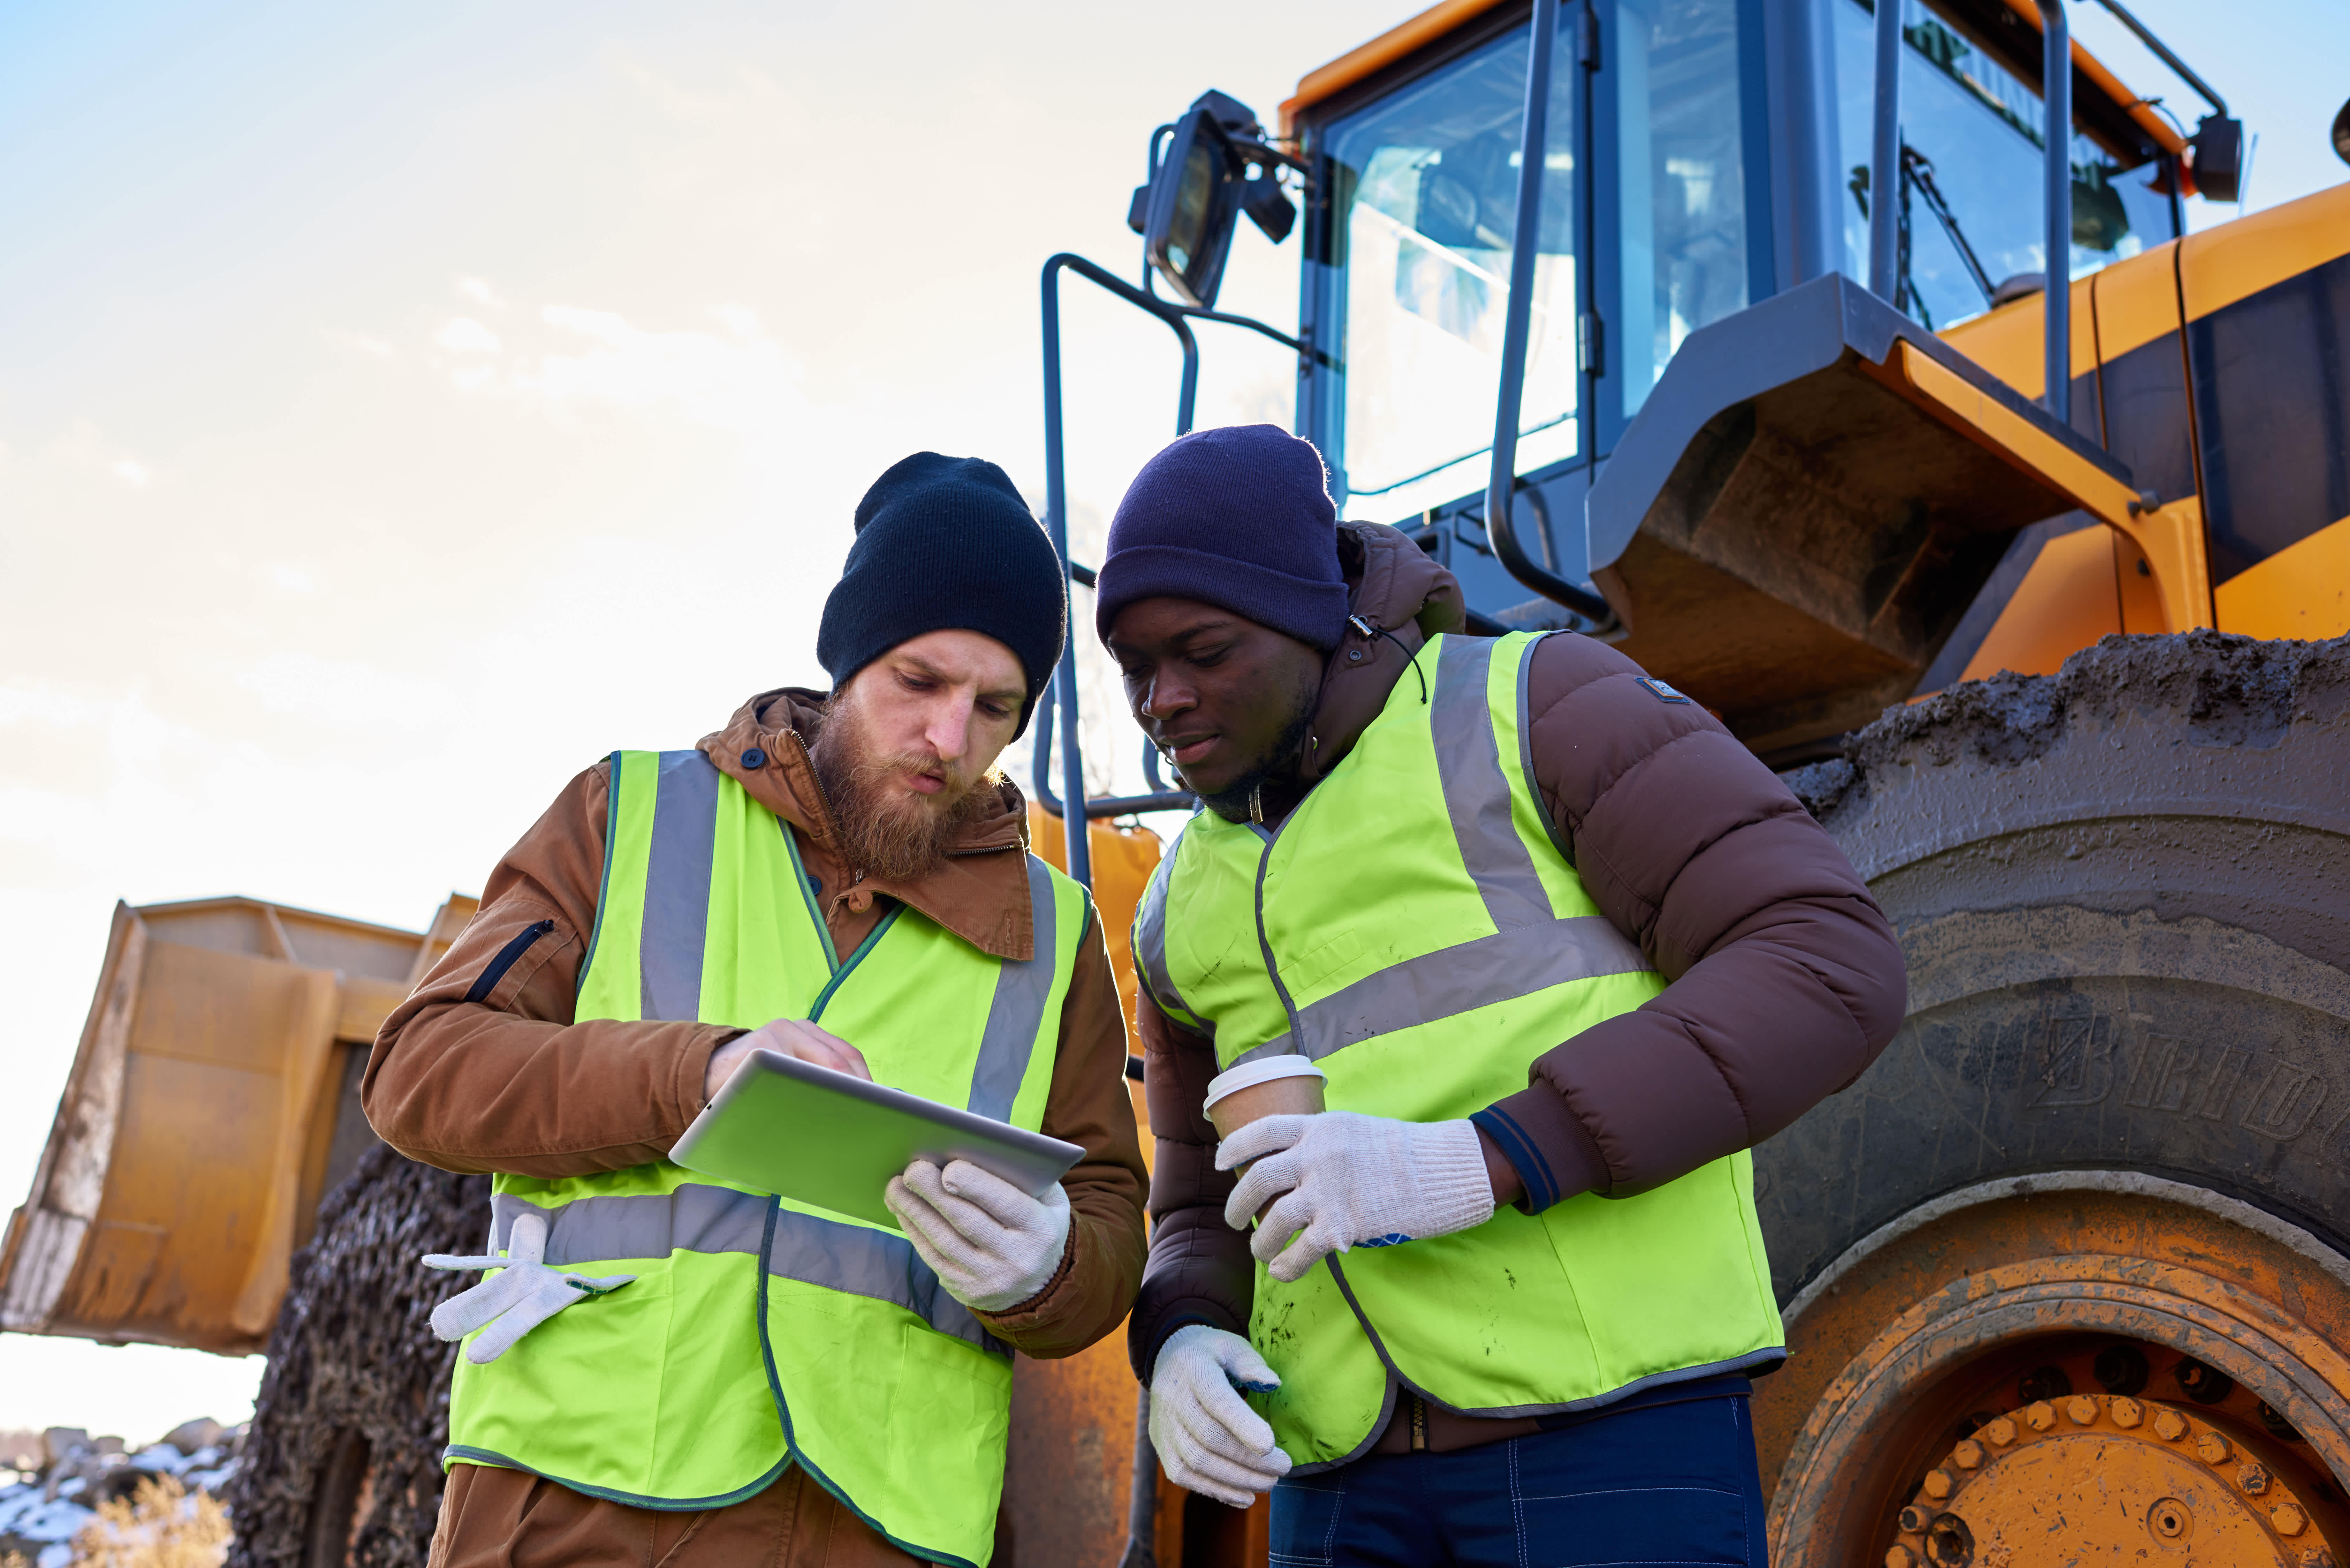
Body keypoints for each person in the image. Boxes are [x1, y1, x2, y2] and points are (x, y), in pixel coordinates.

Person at [1097, 425, 1907, 1566]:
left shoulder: (1539, 704)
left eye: (1205, 650)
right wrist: (1179, 1333)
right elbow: (1194, 1206)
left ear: (1315, 615)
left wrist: (1479, 1158)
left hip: (1609, 1447)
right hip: (1337, 1496)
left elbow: (1827, 962)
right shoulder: (1174, 905)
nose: (1163, 700)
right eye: (1135, 668)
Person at [365, 453, 1147, 1568]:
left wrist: (1054, 1273)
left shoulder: (1061, 937)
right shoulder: (628, 813)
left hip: (878, 1529)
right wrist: (700, 1073)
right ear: (847, 664)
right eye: (918, 683)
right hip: (581, 1503)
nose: (949, 738)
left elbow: (1111, 1217)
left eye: (995, 708)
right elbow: (420, 1070)